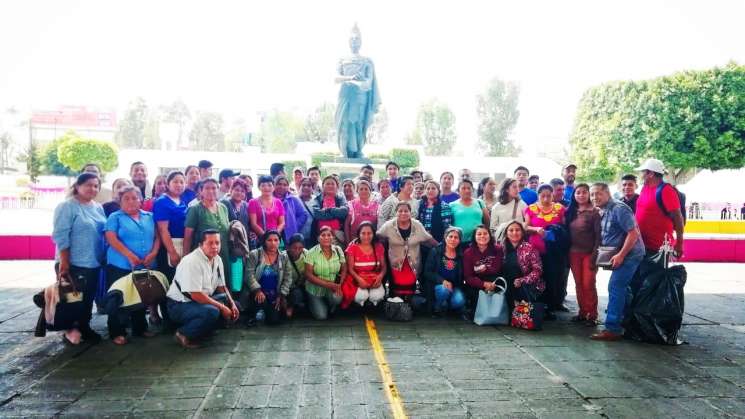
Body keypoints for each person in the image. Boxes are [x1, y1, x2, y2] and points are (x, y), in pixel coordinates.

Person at [52, 173, 107, 344]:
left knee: (88, 298)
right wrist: (65, 261)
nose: (93, 189)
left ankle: (84, 326)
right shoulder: (67, 206)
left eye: (96, 186)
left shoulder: (97, 207)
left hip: (93, 261)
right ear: (77, 186)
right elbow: (61, 235)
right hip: (72, 261)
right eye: (88, 185)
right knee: (72, 299)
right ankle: (71, 330)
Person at [104, 186, 160, 345]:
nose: (131, 201)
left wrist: (154, 253)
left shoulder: (149, 216)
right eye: (126, 198)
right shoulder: (115, 217)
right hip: (120, 264)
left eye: (134, 198)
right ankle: (116, 331)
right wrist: (129, 255)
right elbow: (111, 238)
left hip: (144, 264)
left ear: (141, 200)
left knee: (141, 295)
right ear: (120, 201)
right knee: (118, 297)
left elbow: (157, 237)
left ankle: (140, 328)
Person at [589, 183, 645, 341]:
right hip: (621, 254)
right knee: (623, 288)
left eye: (598, 194)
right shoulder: (605, 209)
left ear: (607, 193)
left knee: (615, 286)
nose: (594, 198)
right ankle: (626, 320)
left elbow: (633, 234)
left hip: (630, 255)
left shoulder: (619, 208)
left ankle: (612, 328)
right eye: (592, 195)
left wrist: (621, 255)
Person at [166, 230, 239, 348]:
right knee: (212, 311)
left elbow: (222, 287)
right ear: (200, 245)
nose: (215, 246)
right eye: (210, 243)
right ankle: (183, 333)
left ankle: (202, 331)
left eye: (217, 243)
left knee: (234, 304)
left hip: (198, 301)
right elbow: (196, 295)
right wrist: (222, 307)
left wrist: (231, 304)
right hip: (179, 304)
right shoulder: (192, 261)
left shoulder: (217, 259)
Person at [377, 202, 438, 300]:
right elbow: (378, 236)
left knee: (410, 293)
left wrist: (441, 247)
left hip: (412, 263)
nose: (403, 213)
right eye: (400, 211)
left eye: (406, 211)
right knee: (396, 293)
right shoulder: (389, 225)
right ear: (396, 213)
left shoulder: (417, 225)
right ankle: (396, 307)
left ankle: (408, 308)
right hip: (395, 264)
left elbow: (428, 239)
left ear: (410, 213)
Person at [525, 184, 567, 317]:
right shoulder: (531, 208)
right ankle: (537, 304)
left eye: (548, 195)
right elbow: (525, 227)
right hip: (535, 249)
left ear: (553, 195)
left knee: (552, 277)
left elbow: (565, 228)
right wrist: (535, 229)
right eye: (542, 196)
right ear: (538, 195)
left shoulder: (560, 208)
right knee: (537, 276)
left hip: (554, 251)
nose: (545, 198)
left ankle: (550, 306)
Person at [565, 184, 600, 325]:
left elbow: (599, 236)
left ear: (589, 194)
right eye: (578, 192)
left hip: (589, 253)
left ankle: (592, 315)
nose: (581, 195)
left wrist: (595, 255)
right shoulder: (570, 211)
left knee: (588, 284)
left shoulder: (594, 212)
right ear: (574, 195)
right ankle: (582, 312)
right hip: (573, 253)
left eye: (584, 192)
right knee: (578, 284)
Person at [183, 178, 232, 281]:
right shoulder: (195, 209)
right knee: (205, 286)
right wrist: (186, 260)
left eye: (214, 188)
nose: (211, 191)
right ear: (201, 191)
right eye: (207, 188)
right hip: (203, 256)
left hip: (223, 254)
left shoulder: (223, 207)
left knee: (223, 285)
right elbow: (187, 237)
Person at [634, 159, 684, 257]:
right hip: (641, 245)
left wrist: (679, 244)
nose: (641, 175)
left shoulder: (666, 190)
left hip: (658, 249)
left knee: (656, 272)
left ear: (651, 174)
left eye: (643, 172)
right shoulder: (645, 187)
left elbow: (678, 219)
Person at [244, 230, 293, 326]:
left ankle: (266, 312)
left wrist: (281, 295)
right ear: (264, 241)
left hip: (275, 294)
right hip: (258, 294)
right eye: (269, 240)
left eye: (276, 240)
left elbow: (288, 277)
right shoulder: (255, 254)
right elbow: (249, 275)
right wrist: (257, 290)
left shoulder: (284, 257)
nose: (273, 243)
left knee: (274, 321)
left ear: (280, 241)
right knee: (258, 302)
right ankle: (254, 313)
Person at [498, 221, 544, 317]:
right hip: (505, 284)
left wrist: (523, 280)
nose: (514, 233)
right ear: (506, 232)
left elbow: (537, 270)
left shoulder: (530, 248)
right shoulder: (499, 248)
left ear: (522, 232)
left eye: (517, 230)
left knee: (521, 316)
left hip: (523, 285)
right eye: (511, 230)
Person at [304, 226, 347, 320]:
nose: (326, 237)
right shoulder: (311, 253)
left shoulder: (338, 250)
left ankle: (330, 305)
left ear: (333, 237)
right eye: (323, 235)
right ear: (318, 238)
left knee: (337, 298)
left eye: (329, 235)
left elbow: (344, 268)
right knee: (321, 316)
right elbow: (308, 275)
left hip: (333, 287)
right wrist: (329, 284)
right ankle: (312, 302)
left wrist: (339, 284)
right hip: (315, 290)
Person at [341, 222, 386, 308]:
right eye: (363, 233)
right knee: (361, 297)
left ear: (373, 234)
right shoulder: (352, 248)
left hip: (374, 279)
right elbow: (350, 269)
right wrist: (359, 280)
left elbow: (384, 267)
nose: (366, 236)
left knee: (376, 297)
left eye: (369, 233)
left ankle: (371, 301)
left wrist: (380, 277)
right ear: (359, 234)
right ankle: (360, 303)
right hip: (356, 279)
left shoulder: (378, 247)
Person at [424, 227, 466, 317]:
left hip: (454, 286)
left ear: (459, 240)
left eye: (456, 237)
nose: (453, 239)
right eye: (450, 236)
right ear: (445, 237)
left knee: (459, 301)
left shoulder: (461, 254)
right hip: (438, 286)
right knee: (443, 290)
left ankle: (448, 306)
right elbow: (427, 272)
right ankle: (437, 307)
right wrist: (442, 281)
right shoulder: (435, 251)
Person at [463, 225, 504, 316]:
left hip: (494, 280)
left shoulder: (498, 249)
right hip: (476, 281)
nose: (482, 236)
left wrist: (485, 268)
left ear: (490, 235)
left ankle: (497, 314)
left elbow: (497, 269)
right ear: (474, 237)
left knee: (500, 283)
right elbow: (468, 276)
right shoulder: (468, 252)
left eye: (485, 233)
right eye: (479, 234)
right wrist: (483, 284)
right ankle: (475, 312)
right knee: (471, 289)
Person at [154, 171, 188, 280]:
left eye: (182, 182)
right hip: (169, 246)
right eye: (175, 182)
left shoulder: (182, 201)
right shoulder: (162, 202)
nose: (179, 185)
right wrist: (172, 252)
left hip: (182, 244)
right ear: (168, 184)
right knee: (170, 278)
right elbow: (162, 230)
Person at [311, 176, 349, 245]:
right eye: (327, 184)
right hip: (322, 234)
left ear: (337, 186)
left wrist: (328, 210)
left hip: (338, 235)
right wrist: (335, 213)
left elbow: (344, 211)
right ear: (323, 186)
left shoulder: (341, 198)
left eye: (332, 184)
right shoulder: (318, 199)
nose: (330, 186)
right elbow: (317, 214)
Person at [450, 179, 490, 245]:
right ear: (458, 191)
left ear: (472, 190)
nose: (467, 190)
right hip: (459, 242)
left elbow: (487, 221)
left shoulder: (480, 202)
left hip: (478, 241)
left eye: (469, 188)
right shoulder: (452, 205)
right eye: (463, 188)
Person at [248, 175, 286, 244]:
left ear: (273, 187)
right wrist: (266, 236)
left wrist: (275, 235)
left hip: (275, 239)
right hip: (260, 239)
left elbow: (282, 223)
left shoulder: (278, 202)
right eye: (263, 185)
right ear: (259, 187)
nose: (266, 188)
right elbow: (253, 224)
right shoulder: (253, 202)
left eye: (269, 185)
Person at [274, 175, 307, 244]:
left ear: (288, 186)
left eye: (285, 185)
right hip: (273, 232)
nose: (282, 187)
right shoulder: (269, 199)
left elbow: (303, 214)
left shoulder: (293, 199)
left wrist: (295, 225)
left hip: (289, 234)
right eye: (279, 184)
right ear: (274, 185)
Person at [285, 233, 308, 318]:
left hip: (302, 285)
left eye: (300, 248)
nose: (297, 250)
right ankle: (289, 306)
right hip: (287, 287)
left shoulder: (307, 254)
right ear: (288, 247)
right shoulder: (283, 257)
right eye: (294, 248)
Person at [297, 177, 316, 247]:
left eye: (309, 185)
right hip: (298, 238)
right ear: (299, 187)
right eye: (303, 185)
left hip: (314, 237)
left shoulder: (317, 200)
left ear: (313, 188)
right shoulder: (294, 200)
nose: (306, 187)